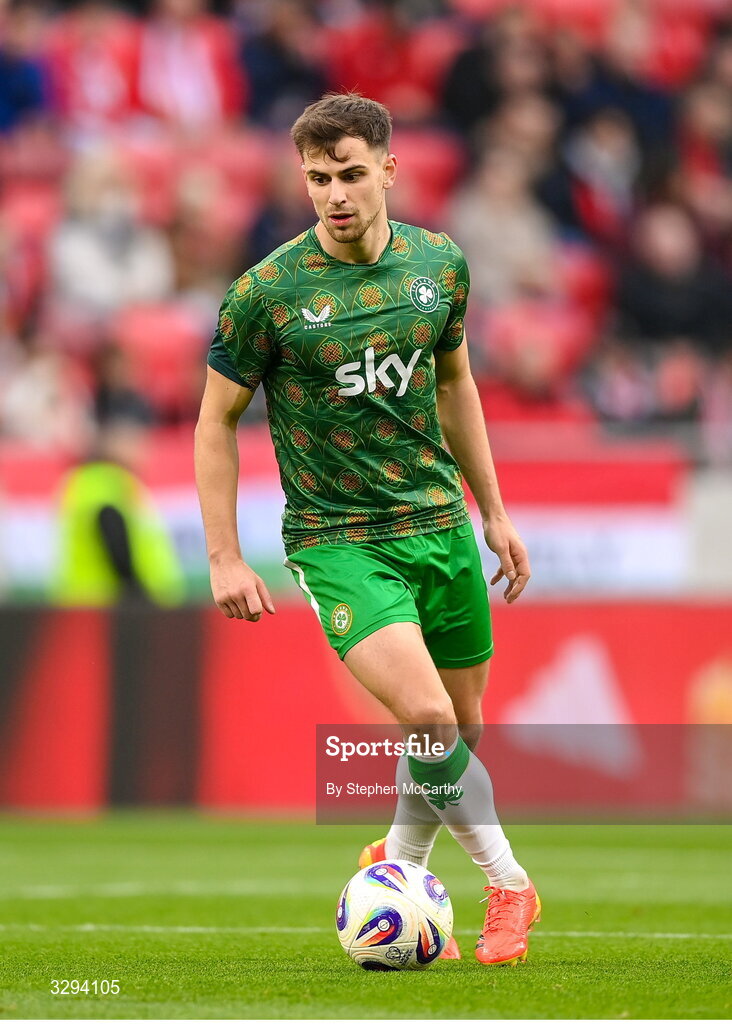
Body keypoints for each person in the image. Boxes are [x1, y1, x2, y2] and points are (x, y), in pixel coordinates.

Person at [194, 92, 539, 966]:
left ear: (389, 168)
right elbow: (214, 423)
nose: (334, 194)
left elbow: (456, 384)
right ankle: (509, 883)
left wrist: (492, 510)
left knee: (457, 738)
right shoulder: (265, 294)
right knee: (425, 716)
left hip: (441, 524)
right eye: (317, 178)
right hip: (339, 538)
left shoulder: (440, 265)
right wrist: (225, 555)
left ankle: (400, 866)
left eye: (351, 174)